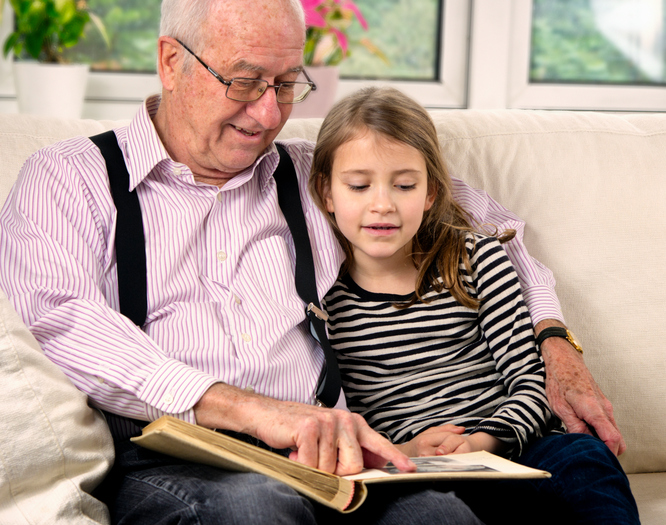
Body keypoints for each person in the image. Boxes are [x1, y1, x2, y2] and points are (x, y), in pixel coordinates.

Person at [0, 0, 622, 522]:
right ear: (170, 62)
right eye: (243, 82)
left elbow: (491, 226)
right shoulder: (70, 177)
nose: (270, 114)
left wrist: (553, 339)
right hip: (179, 460)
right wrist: (255, 411)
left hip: (331, 458)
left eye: (287, 83)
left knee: (440, 517)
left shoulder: (316, 174)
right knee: (257, 511)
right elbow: (62, 320)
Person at [309, 85, 640, 524]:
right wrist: (406, 452)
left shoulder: (475, 256)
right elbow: (346, 422)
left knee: (584, 458)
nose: (382, 204)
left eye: (404, 184)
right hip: (413, 471)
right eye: (359, 185)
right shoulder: (321, 299)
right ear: (327, 194)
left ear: (430, 194)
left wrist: (481, 442)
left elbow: (532, 383)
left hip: (513, 448)